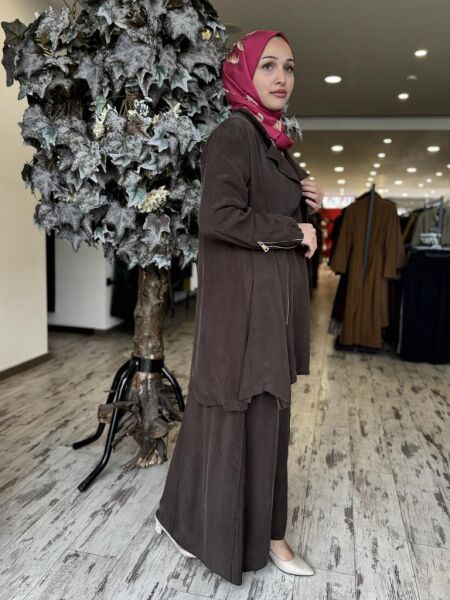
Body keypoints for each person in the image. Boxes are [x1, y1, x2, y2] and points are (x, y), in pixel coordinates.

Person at [155, 29, 323, 586]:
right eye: (268, 65)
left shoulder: (271, 141)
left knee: (239, 416)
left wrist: (307, 208)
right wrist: (292, 229)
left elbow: (274, 222)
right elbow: (219, 217)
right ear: (244, 71)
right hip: (247, 314)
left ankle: (184, 518)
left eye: (289, 67)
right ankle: (265, 538)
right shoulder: (235, 132)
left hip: (265, 308)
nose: (282, 77)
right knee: (246, 415)